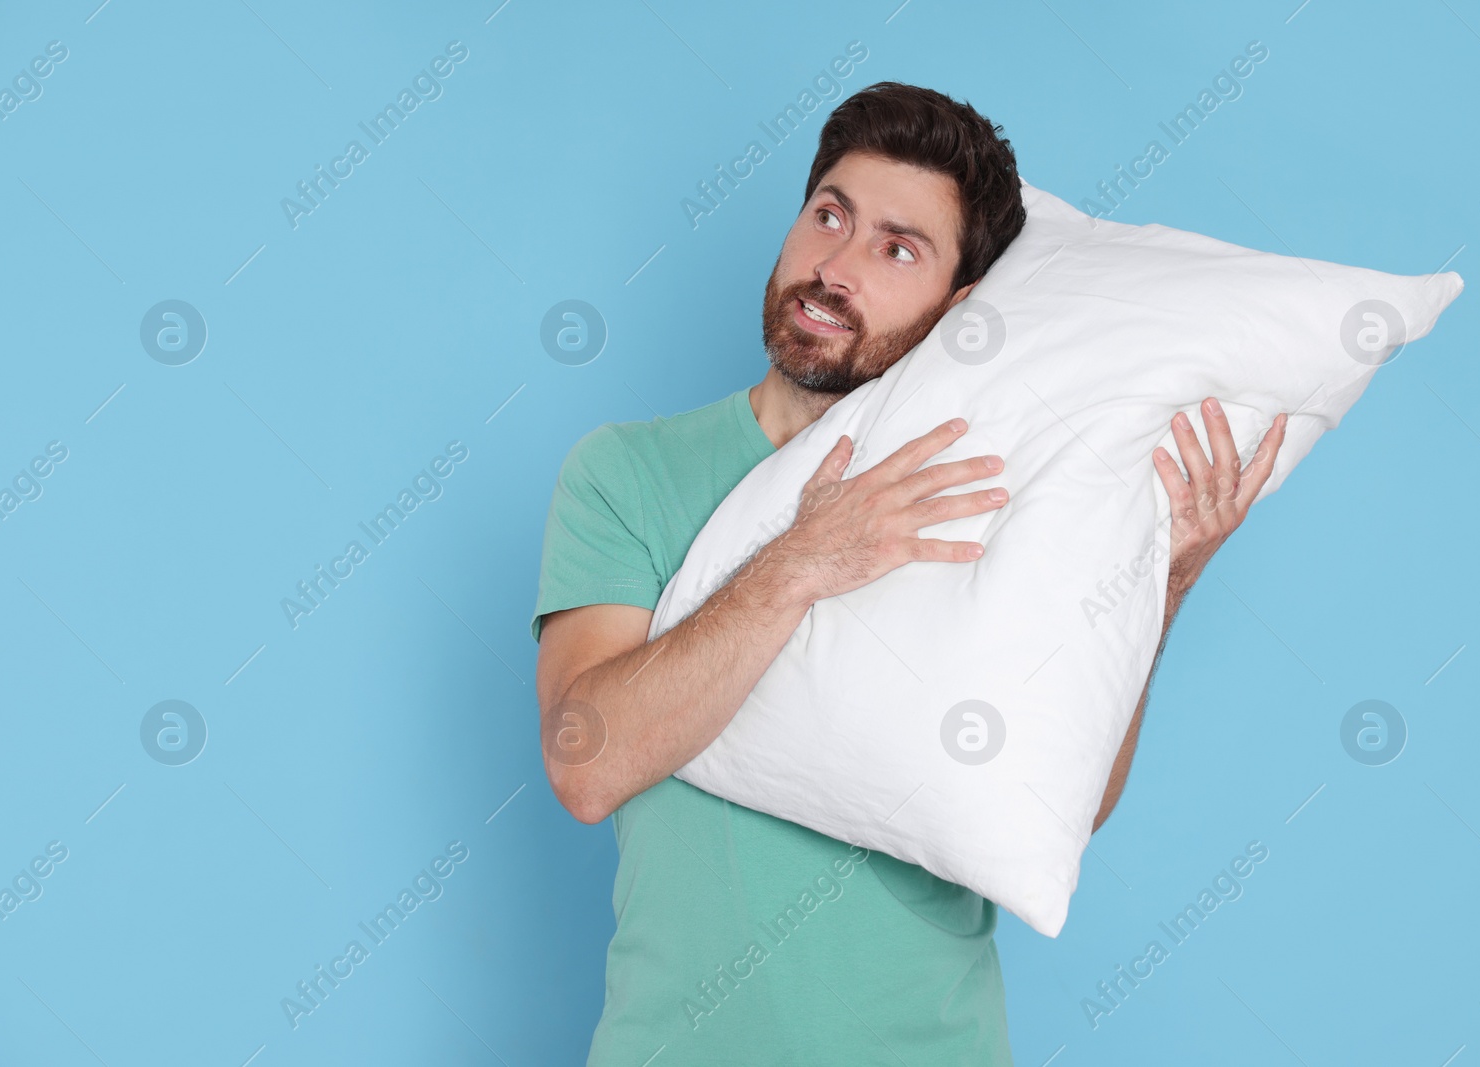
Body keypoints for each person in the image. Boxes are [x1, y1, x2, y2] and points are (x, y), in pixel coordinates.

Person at [530, 81, 1286, 1065]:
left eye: (897, 248)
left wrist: (1159, 585)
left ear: (961, 310)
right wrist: (803, 559)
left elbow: (1064, 799)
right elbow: (585, 766)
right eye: (829, 216)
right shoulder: (629, 471)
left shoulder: (999, 498)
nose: (833, 267)